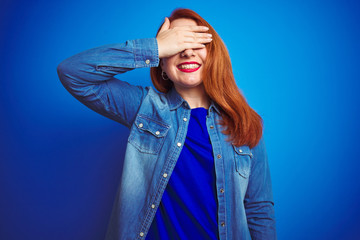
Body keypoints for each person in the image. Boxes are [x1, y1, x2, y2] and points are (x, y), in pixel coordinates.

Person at [57, 8, 276, 240]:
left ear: (212, 56)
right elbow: (72, 72)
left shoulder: (245, 121)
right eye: (177, 44)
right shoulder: (144, 107)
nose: (187, 52)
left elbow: (259, 209)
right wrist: (155, 47)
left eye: (195, 42)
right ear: (162, 64)